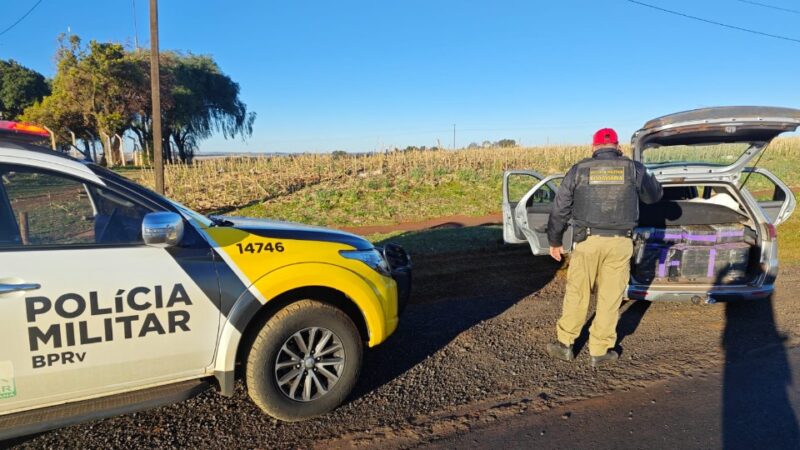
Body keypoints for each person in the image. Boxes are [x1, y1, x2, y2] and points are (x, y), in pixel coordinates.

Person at [545, 128, 663, 367]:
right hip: (620, 242)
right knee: (610, 297)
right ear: (618, 146)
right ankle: (599, 350)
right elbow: (654, 197)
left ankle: (565, 344)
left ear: (593, 146)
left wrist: (555, 241)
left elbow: (560, 208)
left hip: (587, 242)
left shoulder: (579, 169)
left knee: (577, 293)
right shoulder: (633, 168)